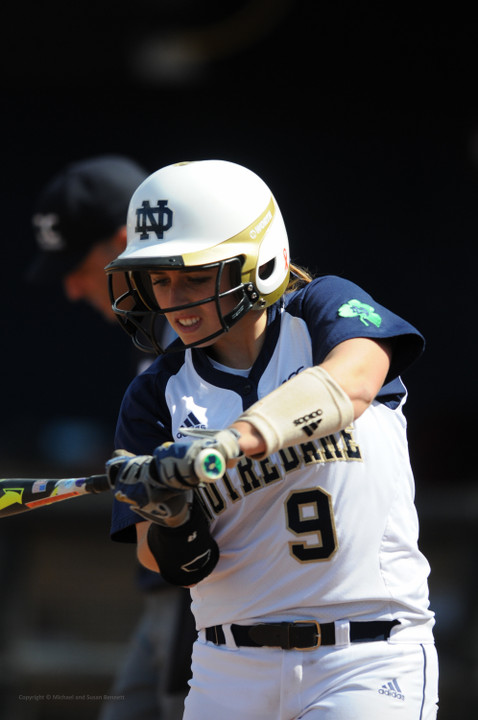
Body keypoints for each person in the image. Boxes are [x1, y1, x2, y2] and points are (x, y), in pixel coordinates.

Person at [106, 159, 439, 719]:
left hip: (365, 657)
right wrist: (169, 514)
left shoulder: (322, 311)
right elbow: (175, 565)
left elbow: (354, 379)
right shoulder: (156, 393)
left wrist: (231, 442)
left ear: (257, 263)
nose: (172, 299)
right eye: (158, 280)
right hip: (227, 666)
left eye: (194, 276)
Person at [28, 154, 190, 720]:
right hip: (166, 589)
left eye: (78, 263)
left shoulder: (204, 329)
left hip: (212, 593)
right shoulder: (154, 333)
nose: (72, 289)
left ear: (126, 241)